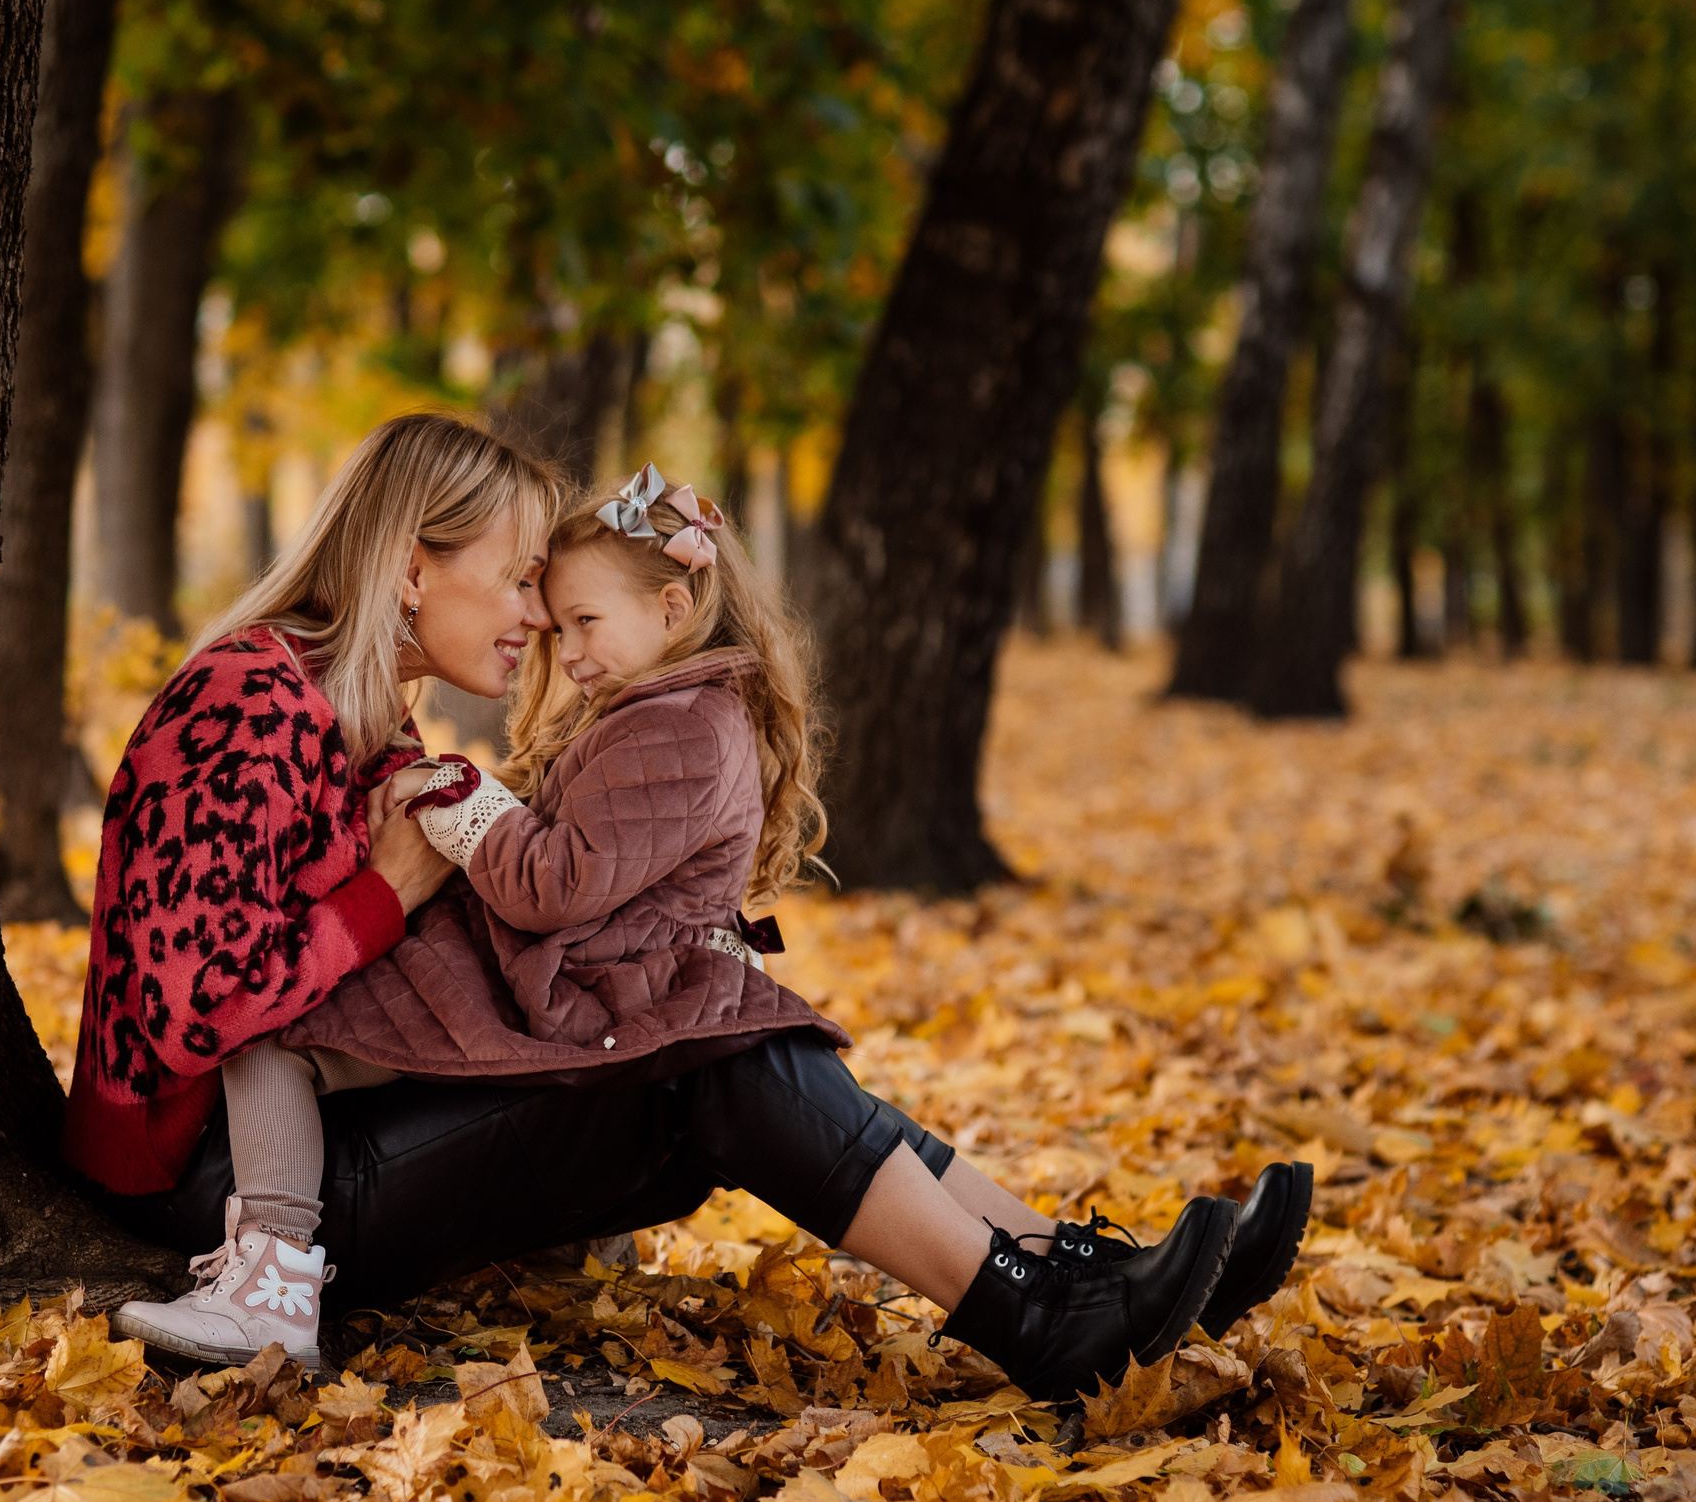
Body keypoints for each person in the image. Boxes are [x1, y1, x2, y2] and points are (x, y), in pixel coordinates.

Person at [72, 412, 1297, 1401]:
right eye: (513, 580)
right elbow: (200, 1008)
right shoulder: (246, 701)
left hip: (334, 1131)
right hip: (234, 1192)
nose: (538, 616)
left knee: (708, 1028)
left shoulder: (362, 716)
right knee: (699, 1056)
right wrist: (393, 890)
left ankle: (1067, 1268)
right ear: (409, 567)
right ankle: (1043, 1308)